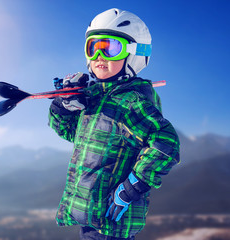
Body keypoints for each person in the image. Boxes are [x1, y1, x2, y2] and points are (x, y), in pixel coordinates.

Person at [48, 8, 180, 240]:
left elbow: (166, 143)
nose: (99, 56)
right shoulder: (96, 99)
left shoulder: (130, 102)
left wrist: (132, 187)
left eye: (110, 48)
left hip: (110, 221)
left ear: (134, 54)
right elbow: (71, 133)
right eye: (93, 47)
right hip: (92, 216)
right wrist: (64, 106)